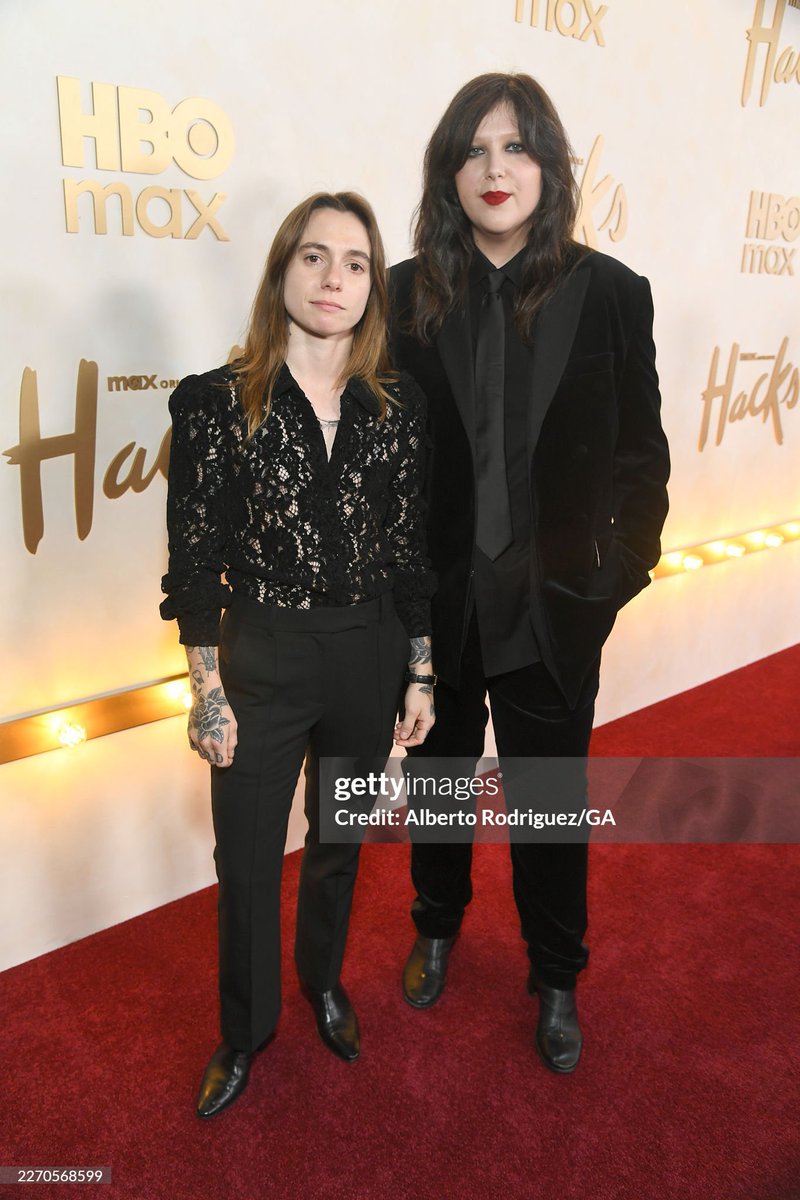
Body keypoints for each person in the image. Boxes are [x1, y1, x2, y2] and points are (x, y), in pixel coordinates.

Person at [390, 73, 670, 1073]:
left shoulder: (611, 293)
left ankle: (555, 976)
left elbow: (641, 460)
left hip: (552, 612)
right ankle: (436, 926)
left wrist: (609, 581)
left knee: (549, 807)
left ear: (549, 165)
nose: (494, 168)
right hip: (439, 610)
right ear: (448, 172)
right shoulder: (403, 294)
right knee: (437, 787)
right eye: (473, 150)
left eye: (515, 147)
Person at [160, 192, 435, 1118]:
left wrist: (420, 671)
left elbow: (409, 552)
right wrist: (206, 689)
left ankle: (323, 982)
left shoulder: (398, 408)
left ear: (372, 287)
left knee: (339, 841)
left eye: (356, 263)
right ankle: (245, 1033)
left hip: (367, 651)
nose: (334, 279)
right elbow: (194, 563)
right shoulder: (214, 402)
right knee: (245, 858)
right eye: (314, 256)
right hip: (262, 654)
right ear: (282, 270)